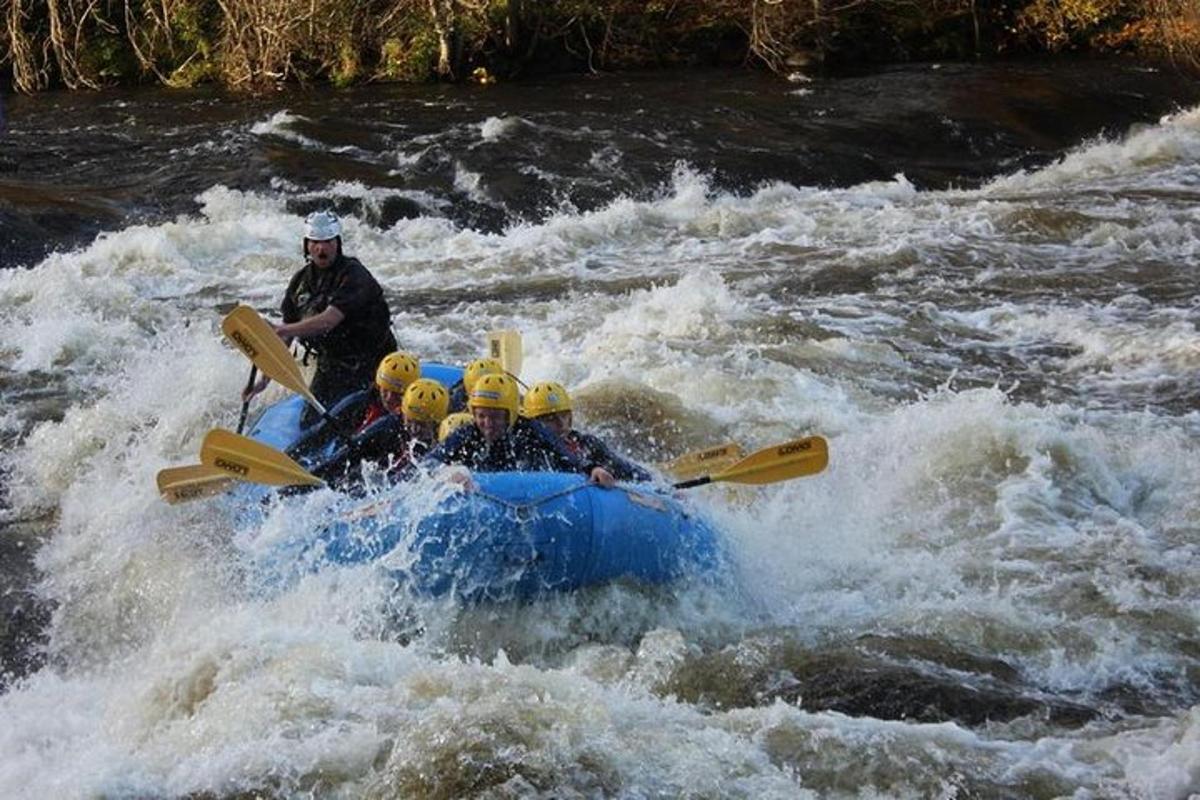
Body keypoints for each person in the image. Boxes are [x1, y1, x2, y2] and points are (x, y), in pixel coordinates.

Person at [244, 210, 397, 424]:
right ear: (306, 245)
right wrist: (264, 379)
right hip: (331, 365)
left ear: (337, 243)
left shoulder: (354, 275)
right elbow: (285, 339)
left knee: (350, 422)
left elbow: (328, 321)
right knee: (309, 424)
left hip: (369, 365)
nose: (321, 248)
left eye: (327, 241)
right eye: (315, 242)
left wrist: (281, 330)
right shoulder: (300, 283)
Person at [425, 373, 616, 487]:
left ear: (512, 414)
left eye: (496, 416)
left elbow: (564, 455)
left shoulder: (530, 429)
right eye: (481, 415)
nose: (488, 423)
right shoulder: (468, 433)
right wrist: (447, 472)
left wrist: (592, 468)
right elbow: (430, 462)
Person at [311, 377, 449, 488]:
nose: (414, 428)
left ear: (437, 422)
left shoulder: (447, 436)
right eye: (410, 420)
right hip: (376, 478)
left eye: (422, 424)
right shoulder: (386, 427)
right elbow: (342, 457)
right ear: (401, 411)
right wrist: (308, 479)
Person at [522, 381, 652, 482]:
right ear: (535, 424)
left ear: (571, 417)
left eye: (564, 415)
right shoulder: (531, 449)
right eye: (550, 419)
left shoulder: (587, 443)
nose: (561, 423)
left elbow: (625, 469)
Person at [358, 351, 421, 431]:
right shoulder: (361, 403)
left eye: (397, 394)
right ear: (378, 386)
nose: (389, 398)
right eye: (385, 390)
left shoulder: (418, 418)